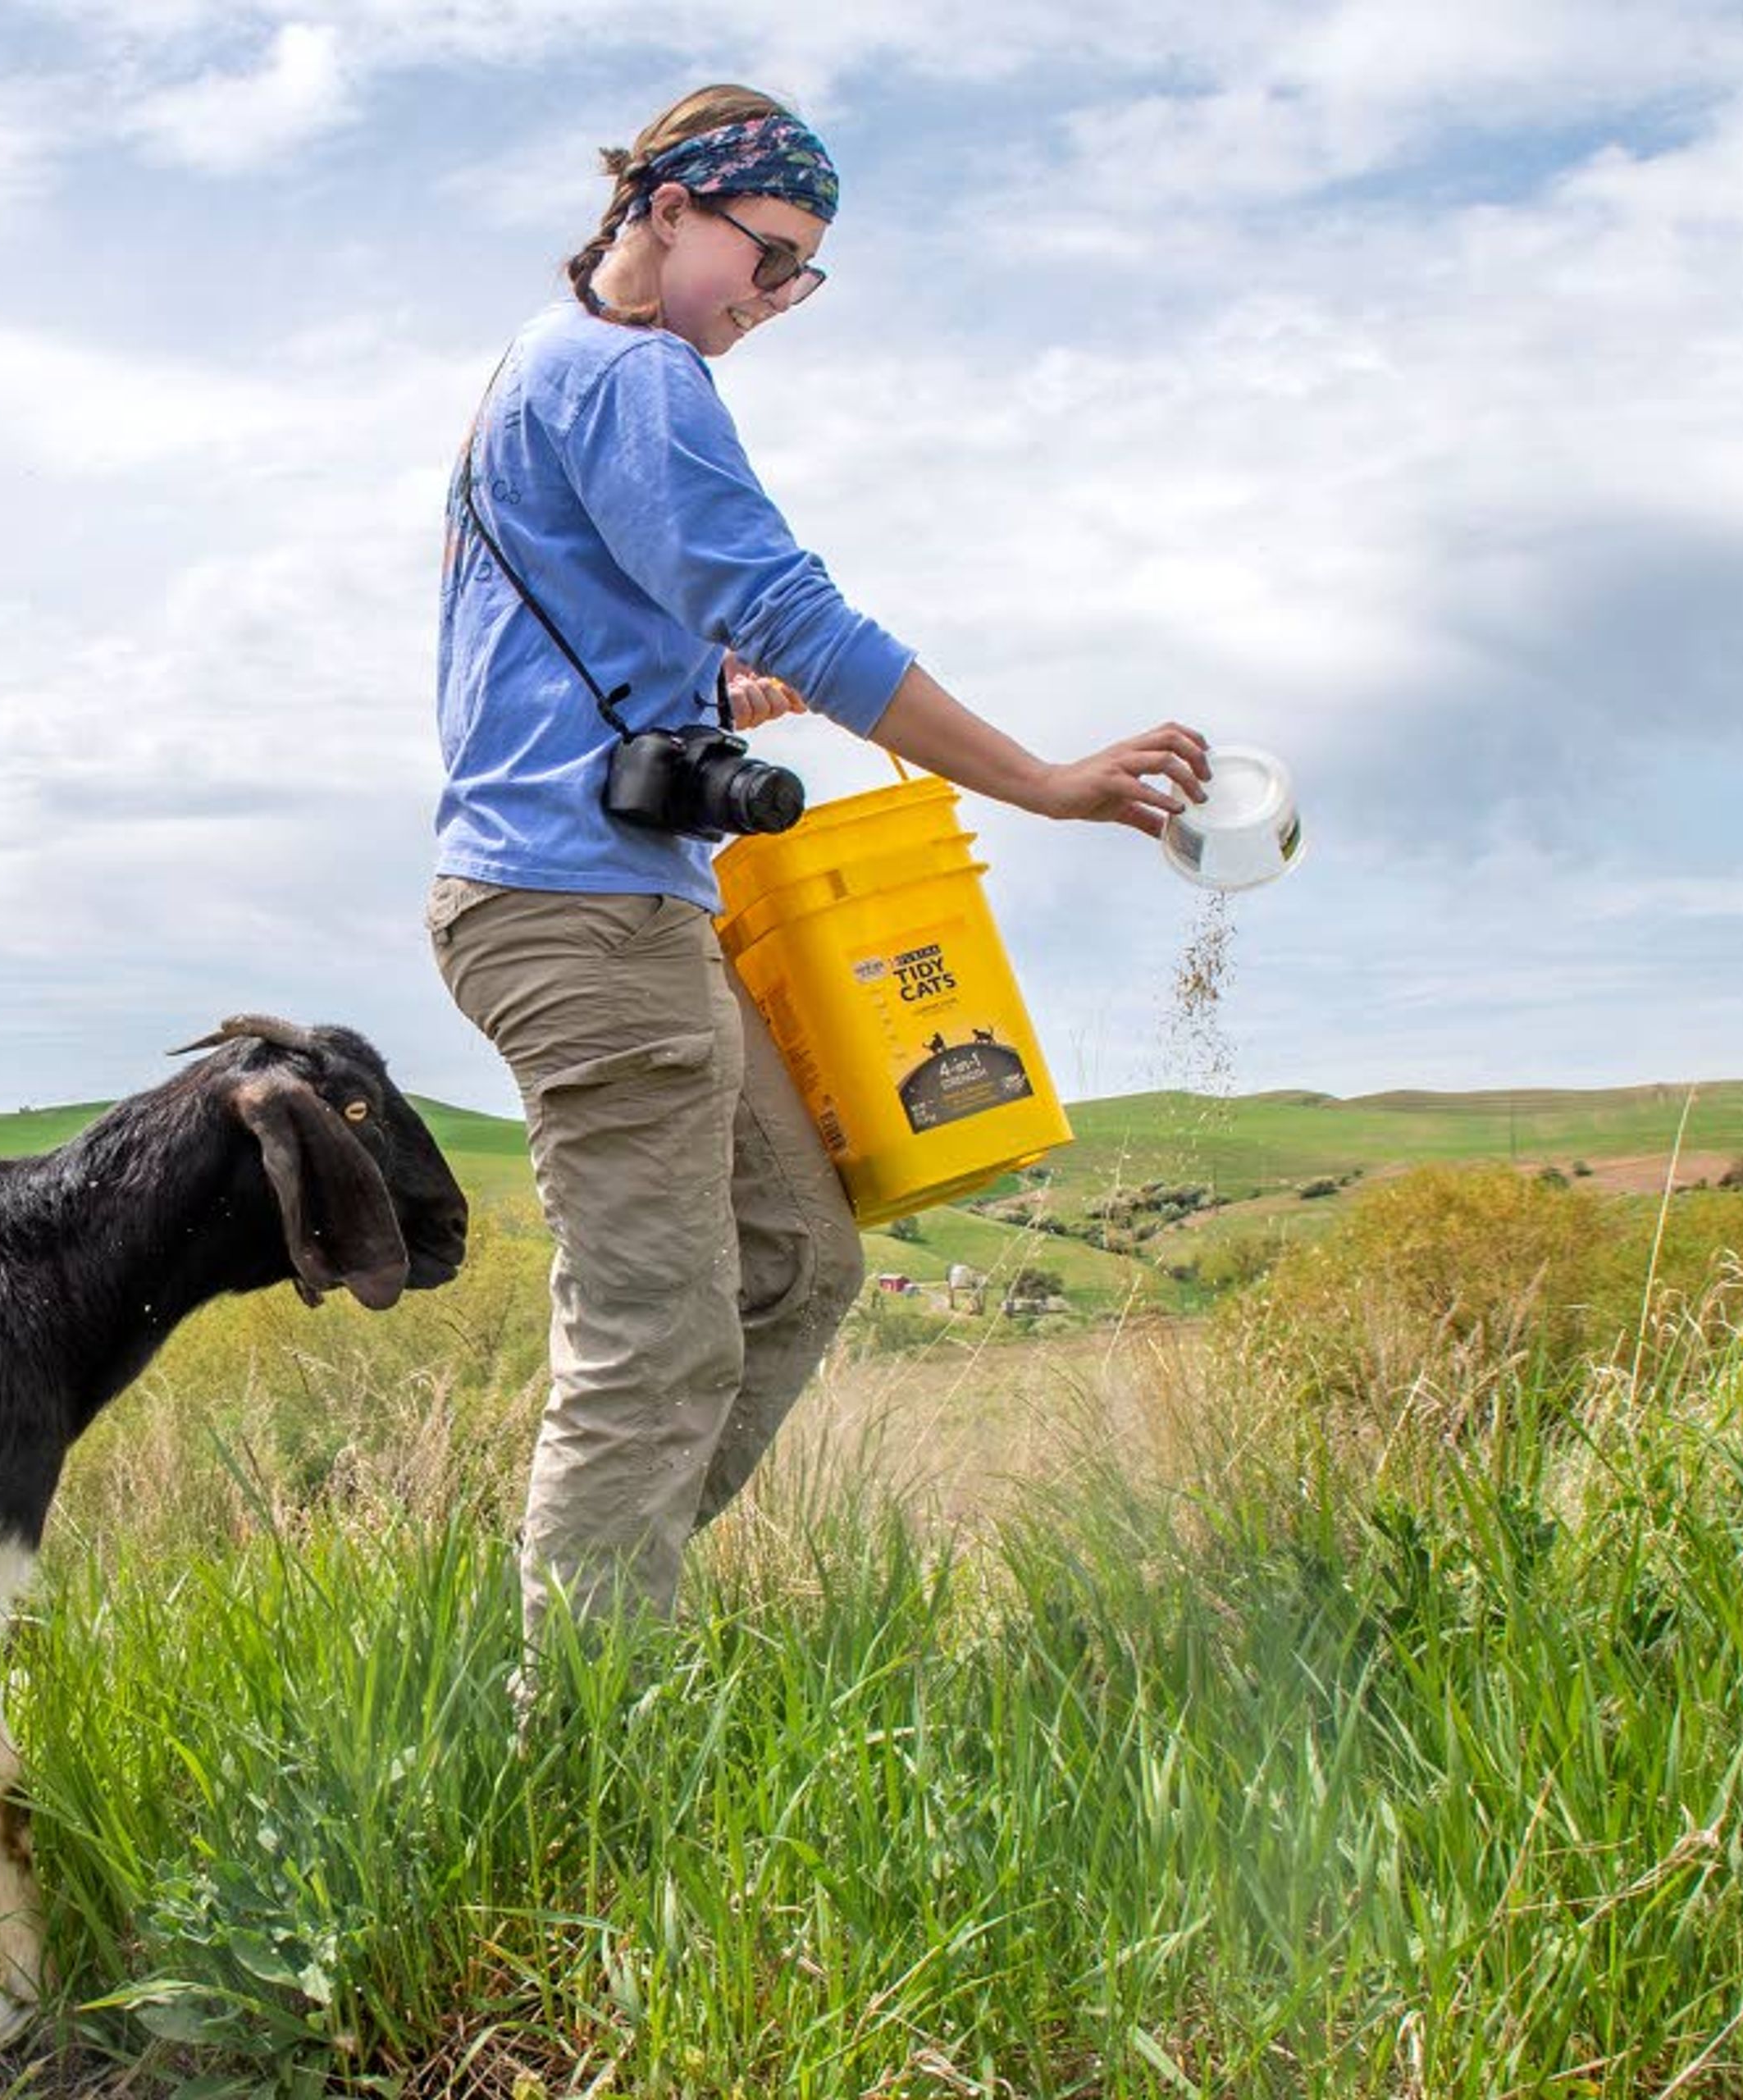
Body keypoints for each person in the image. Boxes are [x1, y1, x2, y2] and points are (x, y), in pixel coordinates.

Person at [427, 83, 1210, 1641]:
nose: (777, 303)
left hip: (623, 904)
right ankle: (578, 1728)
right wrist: (1043, 782)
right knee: (654, 1339)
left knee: (797, 1264)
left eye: (803, 279)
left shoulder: (539, 371)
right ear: (666, 207)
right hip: (580, 918)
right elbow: (798, 612)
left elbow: (544, 652)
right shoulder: (632, 378)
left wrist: (702, 698)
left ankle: (582, 1613)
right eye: (767, 257)